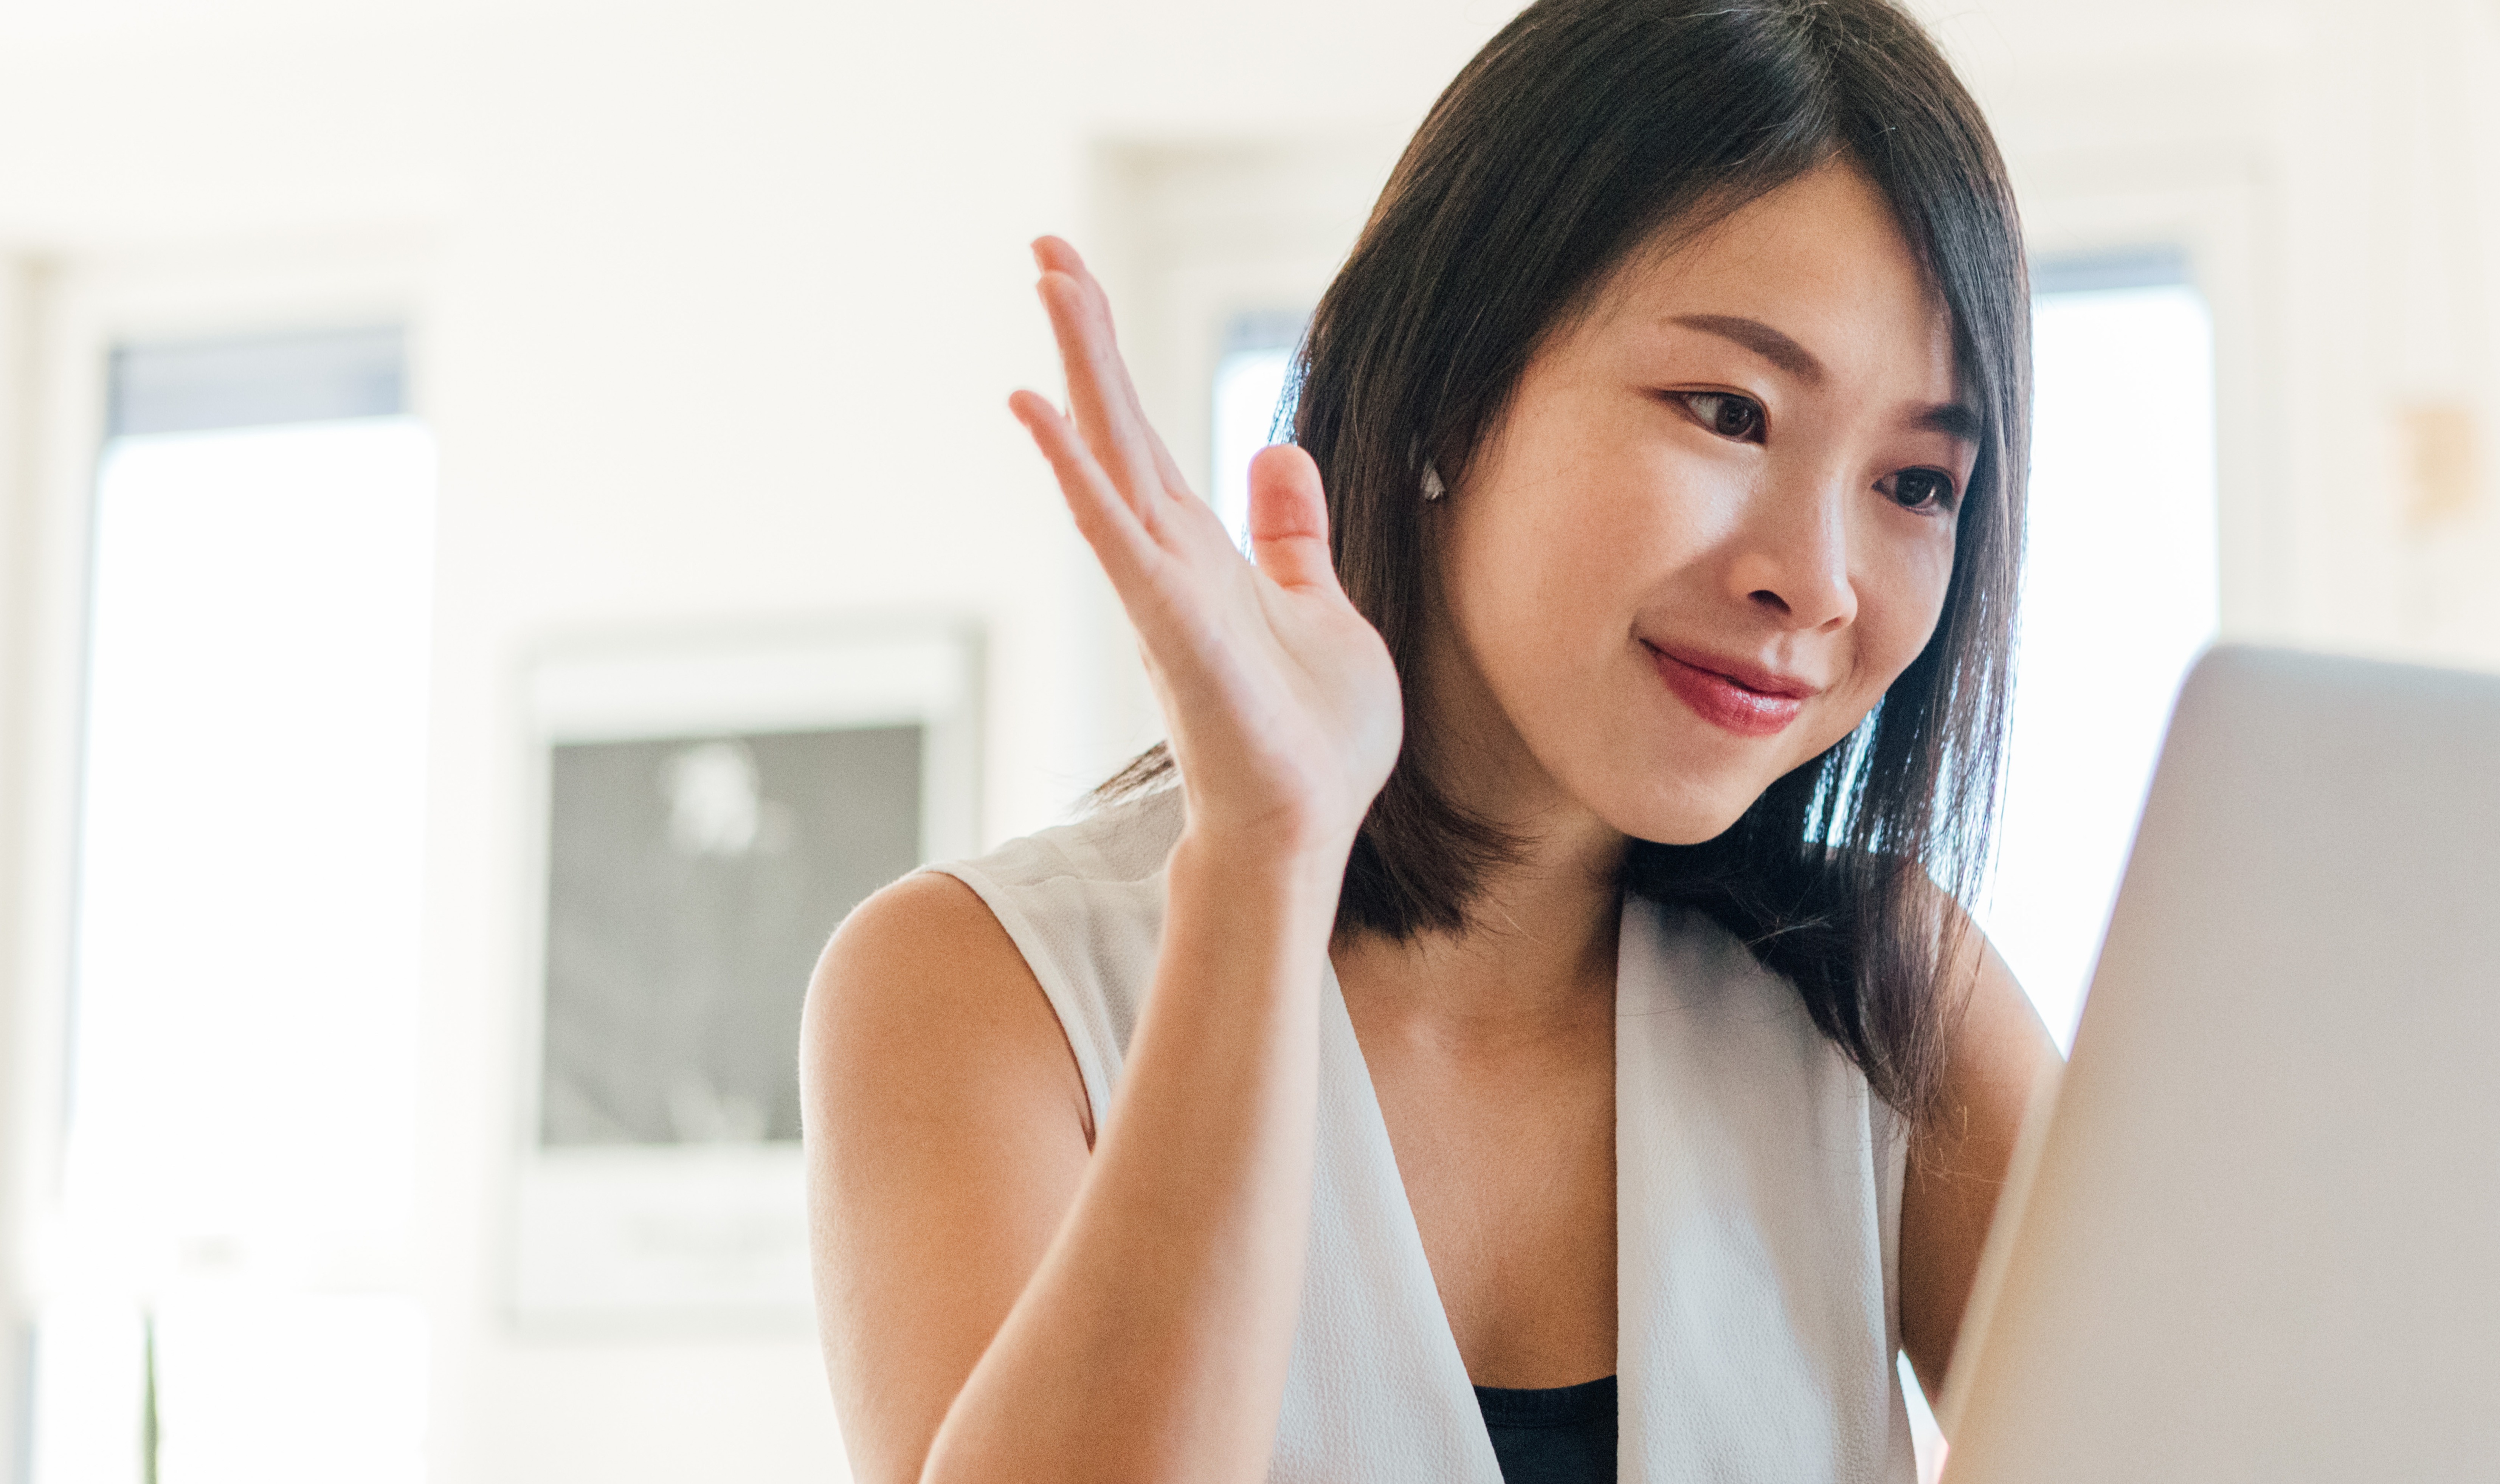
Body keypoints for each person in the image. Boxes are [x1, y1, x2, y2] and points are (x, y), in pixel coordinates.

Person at [802, 1, 2058, 1479]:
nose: (1818, 577)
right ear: (1443, 396)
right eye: (1726, 409)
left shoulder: (1891, 996)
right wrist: (1262, 859)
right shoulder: (974, 987)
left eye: (1913, 483)